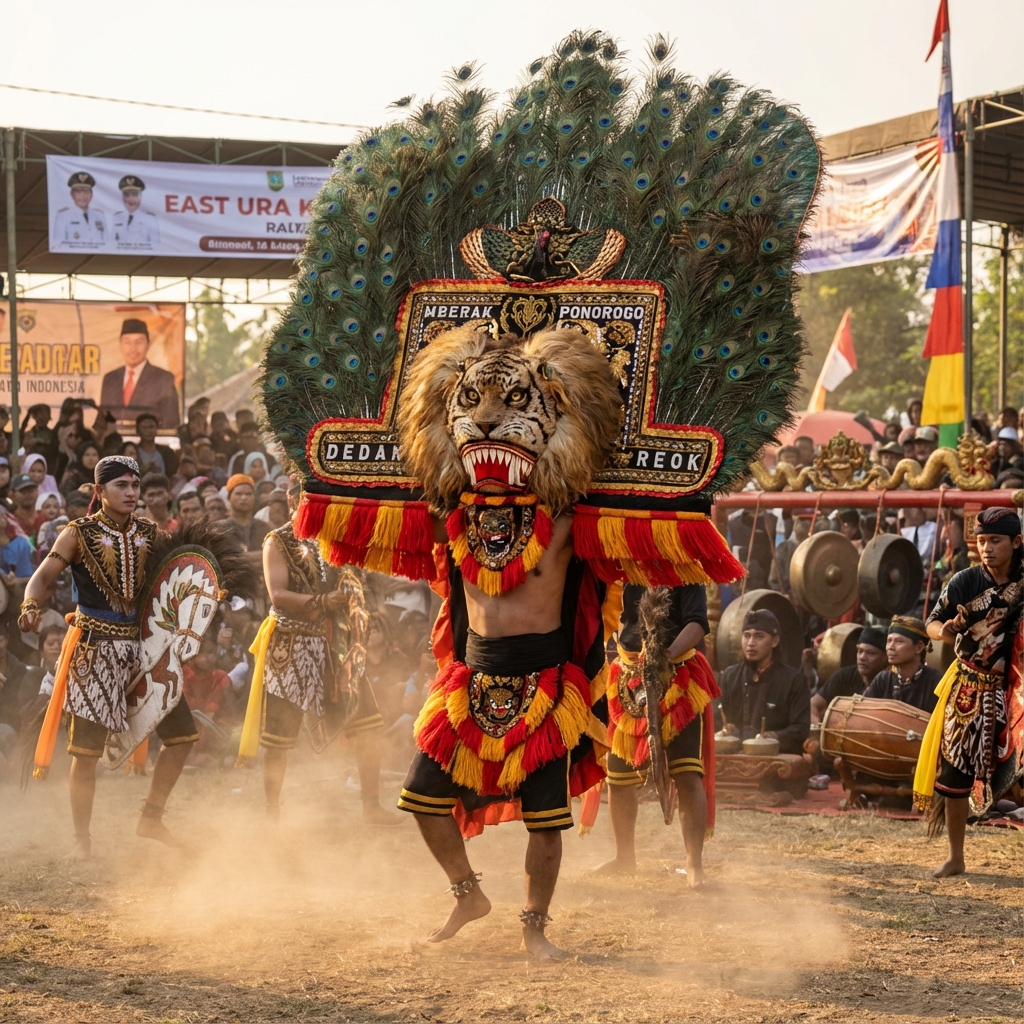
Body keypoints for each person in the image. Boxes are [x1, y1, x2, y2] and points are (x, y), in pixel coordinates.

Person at [18, 455, 200, 856]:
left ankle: (151, 816)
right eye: (122, 486)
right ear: (99, 491)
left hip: (145, 651)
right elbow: (42, 578)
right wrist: (31, 606)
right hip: (95, 650)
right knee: (86, 755)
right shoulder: (76, 533)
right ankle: (82, 840)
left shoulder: (151, 533)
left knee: (184, 736)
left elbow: (175, 578)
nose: (132, 493)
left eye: (135, 486)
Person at [242, 516, 392, 822]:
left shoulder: (338, 536)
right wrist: (323, 600)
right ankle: (272, 813)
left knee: (368, 723)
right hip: (291, 643)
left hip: (336, 644)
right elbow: (278, 595)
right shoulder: (278, 540)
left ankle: (372, 806)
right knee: (278, 738)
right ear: (295, 500)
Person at [915, 507, 1023, 877]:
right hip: (971, 688)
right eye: (982, 541)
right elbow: (931, 623)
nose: (987, 548)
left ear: (1016, 542)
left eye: (996, 540)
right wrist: (947, 630)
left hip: (1017, 690)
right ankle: (956, 856)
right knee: (956, 772)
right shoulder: (964, 581)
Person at [595, 583, 718, 885]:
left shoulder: (686, 566)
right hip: (628, 675)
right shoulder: (625, 564)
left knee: (687, 772)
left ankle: (694, 865)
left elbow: (697, 622)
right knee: (619, 777)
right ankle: (624, 858)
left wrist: (664, 656)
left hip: (678, 674)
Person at [715, 609, 810, 754]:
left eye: (759, 636)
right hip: (733, 757)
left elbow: (801, 730)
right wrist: (725, 730)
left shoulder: (794, 680)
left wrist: (773, 737)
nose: (751, 643)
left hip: (775, 760)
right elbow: (714, 720)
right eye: (746, 636)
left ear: (775, 641)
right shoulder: (729, 676)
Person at [99, 319, 181, 429]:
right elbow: (102, 421)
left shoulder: (163, 379)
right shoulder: (110, 379)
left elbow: (171, 424)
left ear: (148, 344)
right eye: (127, 342)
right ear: (120, 345)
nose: (133, 348)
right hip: (114, 445)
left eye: (139, 342)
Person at [810, 627, 889, 723]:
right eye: (859, 651)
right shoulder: (844, 676)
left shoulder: (892, 683)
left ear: (886, 657)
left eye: (871, 653)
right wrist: (818, 730)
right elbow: (813, 705)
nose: (862, 657)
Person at [863, 617, 941, 712]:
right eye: (889, 641)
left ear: (919, 647)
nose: (890, 647)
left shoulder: (936, 682)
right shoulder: (883, 679)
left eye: (898, 641)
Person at [52, 172, 108, 249]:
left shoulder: (99, 215)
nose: (83, 196)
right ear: (72, 194)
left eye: (86, 191)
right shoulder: (63, 216)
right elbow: (58, 246)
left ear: (91, 194)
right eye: (78, 192)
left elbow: (106, 244)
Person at [110, 175, 160, 250]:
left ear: (140, 196)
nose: (131, 199)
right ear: (122, 197)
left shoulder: (150, 218)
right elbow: (111, 243)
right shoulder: (116, 217)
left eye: (134, 194)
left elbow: (156, 246)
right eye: (127, 195)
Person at [224, 474, 268, 553]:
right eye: (238, 494)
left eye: (248, 494)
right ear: (228, 498)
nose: (244, 498)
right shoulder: (219, 530)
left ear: (254, 498)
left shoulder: (265, 528)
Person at [770, 513, 810, 594]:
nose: (804, 524)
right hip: (786, 598)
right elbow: (774, 581)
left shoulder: (818, 549)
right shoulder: (783, 549)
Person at [133, 413, 180, 478]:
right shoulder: (132, 451)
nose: (148, 431)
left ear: (156, 429)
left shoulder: (167, 452)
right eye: (144, 427)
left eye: (151, 427)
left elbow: (174, 473)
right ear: (137, 430)